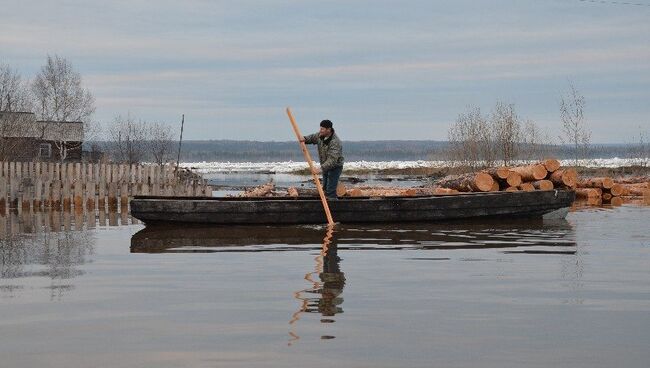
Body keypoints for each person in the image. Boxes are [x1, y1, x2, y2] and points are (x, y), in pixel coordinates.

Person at [300, 120, 344, 199]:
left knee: (330, 190)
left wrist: (320, 169)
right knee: (325, 188)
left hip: (335, 167)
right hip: (325, 166)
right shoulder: (320, 136)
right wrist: (305, 139)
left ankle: (333, 206)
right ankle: (325, 204)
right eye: (320, 128)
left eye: (322, 129)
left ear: (328, 129)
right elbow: (312, 138)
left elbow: (332, 160)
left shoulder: (335, 142)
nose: (320, 130)